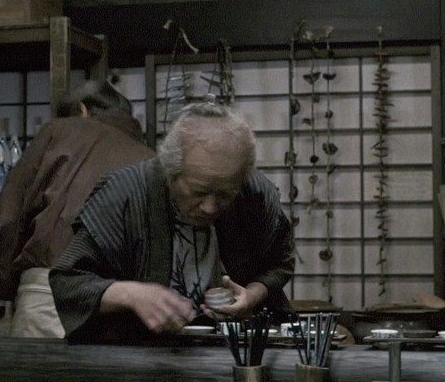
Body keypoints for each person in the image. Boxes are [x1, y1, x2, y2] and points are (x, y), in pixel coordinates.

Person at [49, 102, 295, 343]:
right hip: (137, 353)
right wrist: (130, 294)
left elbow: (280, 262)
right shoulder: (125, 193)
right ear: (170, 172)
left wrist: (251, 295)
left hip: (229, 349)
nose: (210, 207)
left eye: (225, 194)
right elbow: (67, 282)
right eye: (198, 192)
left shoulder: (253, 193)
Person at [0, 79, 155, 338]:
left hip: (50, 290)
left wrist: (2, 283)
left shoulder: (60, 131)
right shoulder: (150, 160)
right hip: (123, 305)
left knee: (40, 365)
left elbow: (11, 212)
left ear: (81, 110)